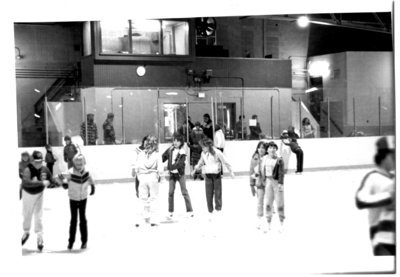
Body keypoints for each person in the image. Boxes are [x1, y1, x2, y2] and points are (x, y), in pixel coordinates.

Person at [355, 136, 395, 255]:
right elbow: (360, 200)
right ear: (383, 157)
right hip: (380, 235)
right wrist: (389, 197)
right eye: (392, 155)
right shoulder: (373, 177)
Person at [57, 154, 95, 250]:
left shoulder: (87, 171)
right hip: (73, 198)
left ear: (83, 163)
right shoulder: (70, 172)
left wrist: (93, 186)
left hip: (83, 198)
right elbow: (59, 176)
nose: (79, 165)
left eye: (80, 163)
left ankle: (84, 241)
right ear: (74, 163)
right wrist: (63, 184)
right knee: (73, 220)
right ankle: (71, 242)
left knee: (83, 219)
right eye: (77, 163)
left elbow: (90, 178)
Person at [191, 138, 234, 219]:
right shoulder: (203, 153)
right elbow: (200, 162)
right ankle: (210, 210)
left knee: (218, 192)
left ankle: (218, 209)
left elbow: (225, 161)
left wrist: (230, 171)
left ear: (208, 146)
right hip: (208, 175)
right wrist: (194, 170)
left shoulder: (217, 152)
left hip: (216, 174)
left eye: (204, 146)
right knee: (208, 193)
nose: (202, 148)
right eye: (202, 147)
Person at [21, 150, 56, 251]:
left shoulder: (45, 169)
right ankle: (26, 232)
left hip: (39, 194)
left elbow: (52, 180)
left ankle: (39, 235)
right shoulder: (28, 169)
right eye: (36, 162)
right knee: (27, 214)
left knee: (39, 215)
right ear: (32, 161)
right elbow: (26, 183)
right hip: (28, 194)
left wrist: (61, 183)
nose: (38, 164)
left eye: (40, 161)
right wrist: (41, 183)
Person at [134, 135, 164, 227]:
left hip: (142, 177)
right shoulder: (157, 154)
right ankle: (154, 220)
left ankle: (141, 219)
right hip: (153, 177)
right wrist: (161, 178)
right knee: (154, 198)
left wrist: (139, 177)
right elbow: (160, 168)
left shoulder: (141, 154)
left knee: (142, 198)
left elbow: (137, 168)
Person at [162, 134, 194, 219]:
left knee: (184, 192)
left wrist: (168, 168)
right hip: (172, 175)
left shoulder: (182, 152)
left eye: (177, 141)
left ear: (181, 142)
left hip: (180, 174)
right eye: (174, 140)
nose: (175, 142)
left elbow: (178, 164)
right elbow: (163, 157)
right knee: (170, 193)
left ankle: (190, 211)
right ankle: (170, 212)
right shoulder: (170, 149)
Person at [261, 142, 285, 233]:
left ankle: (281, 224)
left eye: (274, 147)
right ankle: (268, 224)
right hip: (268, 182)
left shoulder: (279, 160)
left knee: (280, 204)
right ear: (267, 150)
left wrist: (280, 184)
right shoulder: (264, 159)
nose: (273, 149)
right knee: (268, 203)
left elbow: (281, 173)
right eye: (271, 147)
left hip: (277, 183)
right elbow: (260, 170)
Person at [249, 141, 269, 229]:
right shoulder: (254, 159)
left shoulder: (269, 158)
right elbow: (251, 172)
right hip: (259, 184)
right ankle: (259, 219)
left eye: (263, 148)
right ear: (257, 148)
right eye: (260, 147)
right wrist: (251, 185)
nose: (261, 149)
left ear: (266, 150)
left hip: (269, 184)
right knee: (260, 202)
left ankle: (269, 220)